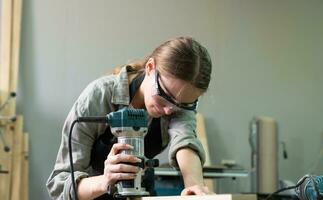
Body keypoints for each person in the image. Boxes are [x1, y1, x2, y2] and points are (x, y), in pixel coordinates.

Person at [46, 36, 213, 200]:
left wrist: (194, 187)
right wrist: (106, 180)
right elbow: (59, 186)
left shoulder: (178, 100)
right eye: (165, 96)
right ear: (150, 67)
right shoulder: (99, 97)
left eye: (182, 105)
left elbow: (185, 141)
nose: (170, 110)